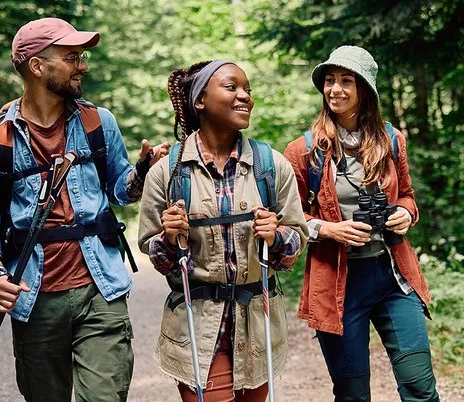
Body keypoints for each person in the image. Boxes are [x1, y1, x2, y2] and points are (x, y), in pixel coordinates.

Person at [0, 17, 170, 401]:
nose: (83, 65)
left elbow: (121, 191)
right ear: (37, 66)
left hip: (100, 290)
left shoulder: (97, 122)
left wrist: (142, 171)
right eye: (72, 57)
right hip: (34, 298)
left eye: (82, 56)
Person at [138, 60, 308, 401]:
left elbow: (294, 245)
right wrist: (170, 239)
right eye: (232, 88)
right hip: (196, 325)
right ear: (200, 100)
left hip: (257, 325)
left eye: (248, 89)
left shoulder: (271, 166)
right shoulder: (168, 173)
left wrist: (276, 236)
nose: (244, 96)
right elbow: (156, 255)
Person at [283, 45, 440, 401]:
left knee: (420, 387)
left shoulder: (391, 140)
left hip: (393, 279)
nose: (335, 89)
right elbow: (288, 219)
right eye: (329, 81)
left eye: (346, 81)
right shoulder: (305, 151)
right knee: (353, 395)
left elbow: (408, 195)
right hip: (338, 284)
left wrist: (405, 214)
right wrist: (328, 230)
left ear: (364, 89)